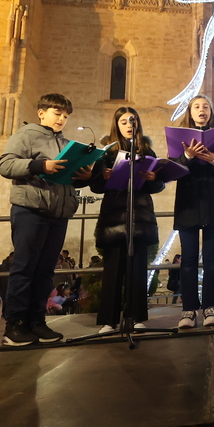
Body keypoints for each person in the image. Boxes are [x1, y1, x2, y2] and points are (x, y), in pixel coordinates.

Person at [0, 92, 93, 346]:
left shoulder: (66, 143)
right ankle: (14, 325)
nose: (62, 118)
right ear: (41, 112)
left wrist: (82, 175)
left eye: (65, 115)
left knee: (45, 272)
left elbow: (66, 177)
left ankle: (37, 322)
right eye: (57, 113)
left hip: (58, 214)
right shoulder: (25, 135)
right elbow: (5, 165)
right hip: (31, 210)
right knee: (24, 269)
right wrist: (41, 166)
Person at [88, 106, 165, 335]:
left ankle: (136, 316)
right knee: (113, 270)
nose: (128, 126)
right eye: (123, 122)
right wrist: (103, 176)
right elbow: (95, 185)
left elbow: (157, 185)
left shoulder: (147, 151)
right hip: (114, 215)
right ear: (117, 125)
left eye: (132, 121)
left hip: (139, 216)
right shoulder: (107, 153)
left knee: (138, 269)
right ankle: (108, 321)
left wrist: (153, 179)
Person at [172, 95, 214, 329]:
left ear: (211, 111)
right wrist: (188, 156)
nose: (202, 110)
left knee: (211, 258)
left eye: (206, 106)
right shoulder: (179, 139)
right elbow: (172, 170)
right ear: (190, 112)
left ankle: (211, 307)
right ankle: (189, 309)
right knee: (188, 258)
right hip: (188, 203)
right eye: (197, 107)